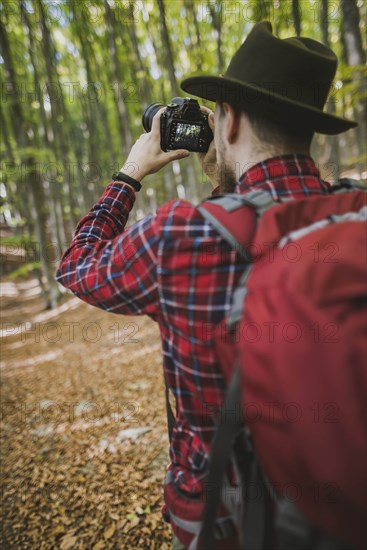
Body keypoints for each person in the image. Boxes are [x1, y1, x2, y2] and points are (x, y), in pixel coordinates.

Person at [57, 21, 356, 549]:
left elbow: (77, 266)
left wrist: (129, 175)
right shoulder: (352, 214)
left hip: (226, 521)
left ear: (231, 120)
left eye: (216, 116)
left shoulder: (180, 237)